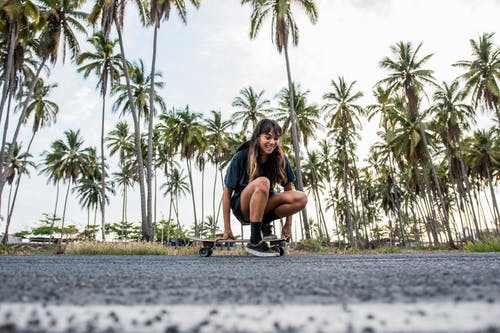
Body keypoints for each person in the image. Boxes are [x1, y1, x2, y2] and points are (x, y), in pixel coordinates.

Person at [221, 119, 308, 256]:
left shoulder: (280, 158)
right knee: (263, 182)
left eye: (275, 138)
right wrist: (227, 228)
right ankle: (255, 241)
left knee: (301, 198)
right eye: (267, 137)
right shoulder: (241, 156)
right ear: (257, 137)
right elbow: (226, 194)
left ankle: (263, 224)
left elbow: (288, 189)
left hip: (266, 205)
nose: (272, 142)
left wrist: (288, 225)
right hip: (243, 207)